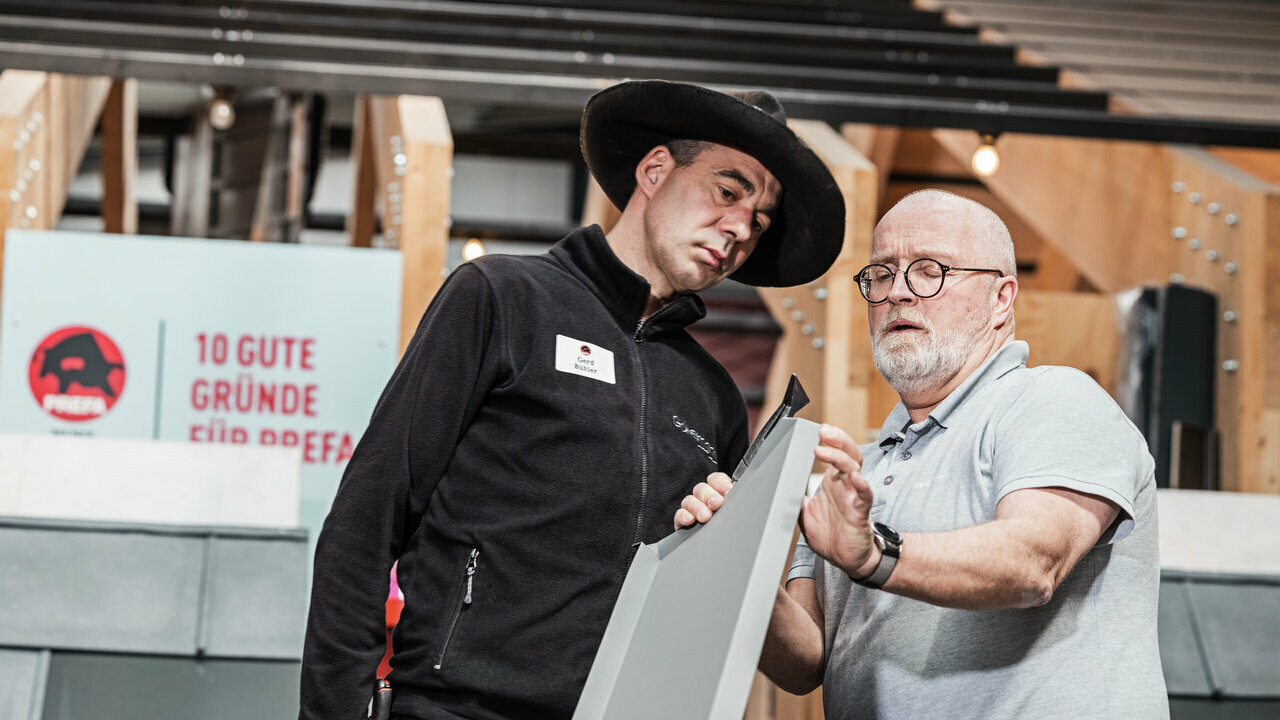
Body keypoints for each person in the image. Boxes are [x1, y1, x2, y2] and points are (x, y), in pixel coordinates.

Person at [298, 80, 846, 720]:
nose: (739, 229)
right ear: (655, 169)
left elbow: (709, 608)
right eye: (728, 192)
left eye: (758, 221)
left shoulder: (714, 397)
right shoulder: (501, 297)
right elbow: (366, 518)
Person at [676, 190, 1168, 719]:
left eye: (930, 270)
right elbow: (806, 662)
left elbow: (1034, 562)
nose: (899, 294)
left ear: (1002, 297)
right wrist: (733, 561)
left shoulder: (1052, 399)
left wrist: (874, 554)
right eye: (882, 274)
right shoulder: (853, 473)